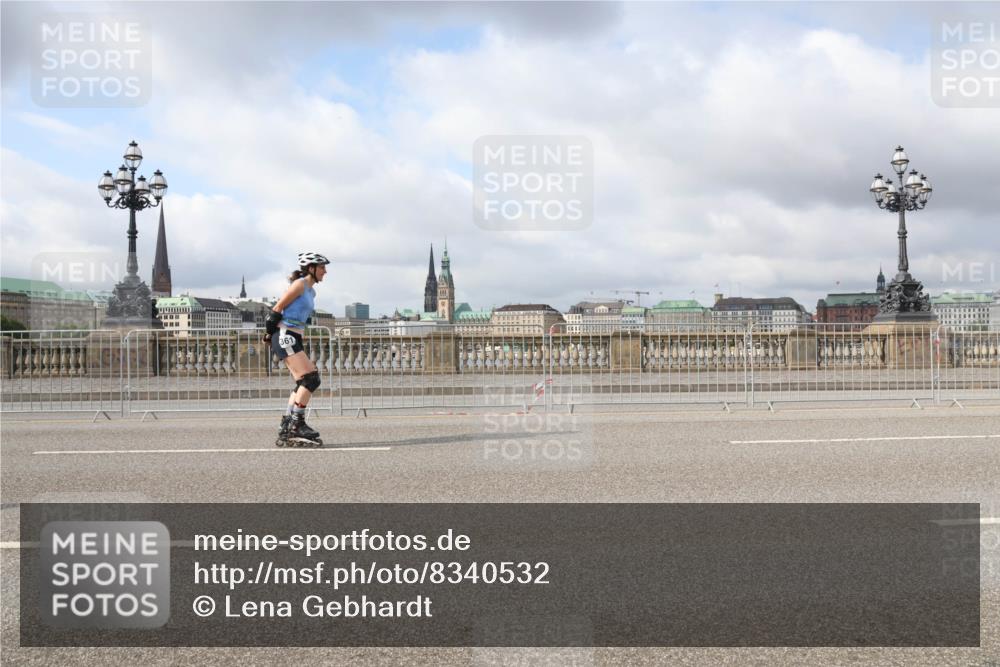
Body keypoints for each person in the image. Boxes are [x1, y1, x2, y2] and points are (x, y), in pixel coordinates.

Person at [264, 252, 330, 447]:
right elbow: (276, 309)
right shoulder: (299, 285)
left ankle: (287, 423)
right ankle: (296, 424)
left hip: (294, 336)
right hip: (285, 336)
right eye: (322, 267)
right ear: (311, 268)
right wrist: (269, 334)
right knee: (311, 379)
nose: (325, 271)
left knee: (303, 381)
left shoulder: (312, 291)